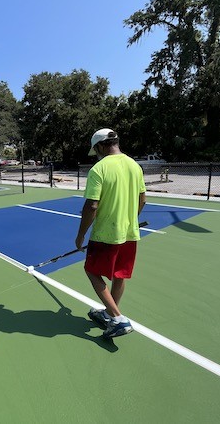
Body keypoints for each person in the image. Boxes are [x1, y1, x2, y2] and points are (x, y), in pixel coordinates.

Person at [75, 129, 146, 338]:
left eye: (95, 149)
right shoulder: (135, 166)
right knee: (119, 274)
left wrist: (80, 236)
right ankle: (108, 313)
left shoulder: (99, 169)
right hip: (129, 233)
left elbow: (92, 206)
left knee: (91, 270)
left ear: (100, 146)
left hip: (106, 233)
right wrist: (130, 220)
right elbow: (142, 200)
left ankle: (117, 318)